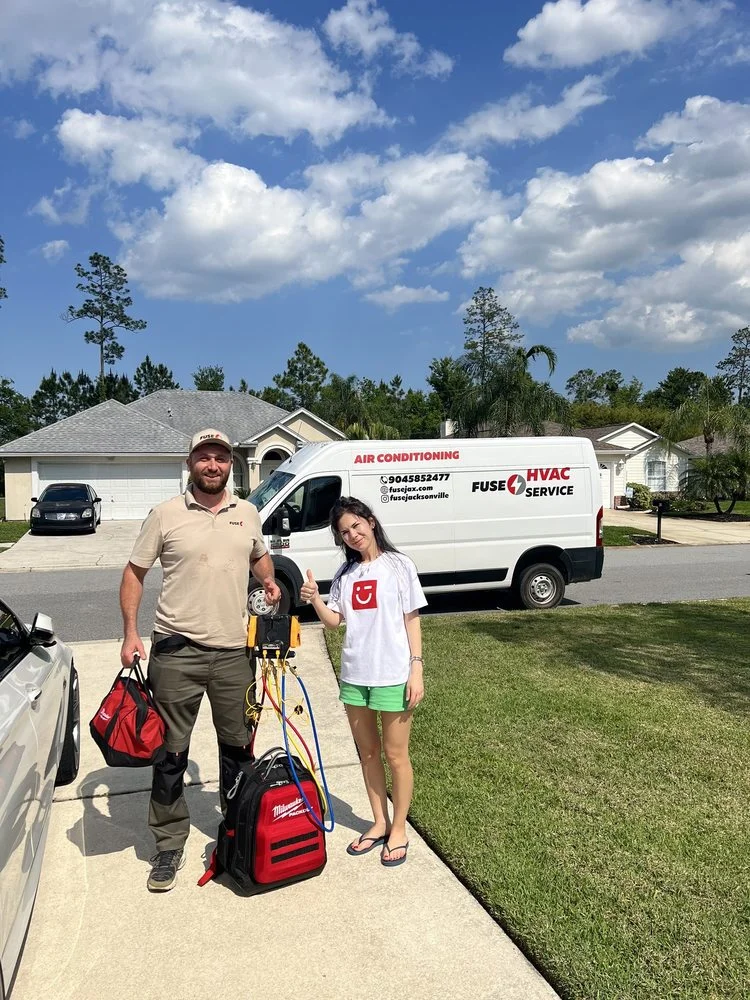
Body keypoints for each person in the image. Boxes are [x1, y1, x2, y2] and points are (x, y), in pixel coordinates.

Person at [119, 428, 281, 892]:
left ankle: (236, 829)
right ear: (190, 463)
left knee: (238, 750)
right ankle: (169, 844)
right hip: (176, 652)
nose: (213, 465)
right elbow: (134, 573)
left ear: (231, 463)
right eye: (204, 457)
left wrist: (267, 582)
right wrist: (130, 632)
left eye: (221, 458)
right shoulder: (165, 514)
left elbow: (260, 557)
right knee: (170, 753)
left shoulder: (247, 512)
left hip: (235, 653)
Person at [300, 496, 425, 867]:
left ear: (371, 522)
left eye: (357, 526)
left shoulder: (399, 566)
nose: (352, 535)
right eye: (344, 532)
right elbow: (334, 622)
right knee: (368, 753)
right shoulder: (345, 575)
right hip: (356, 675)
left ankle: (399, 828)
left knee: (395, 755)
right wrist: (315, 600)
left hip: (393, 674)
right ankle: (379, 822)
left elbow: (412, 619)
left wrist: (415, 668)